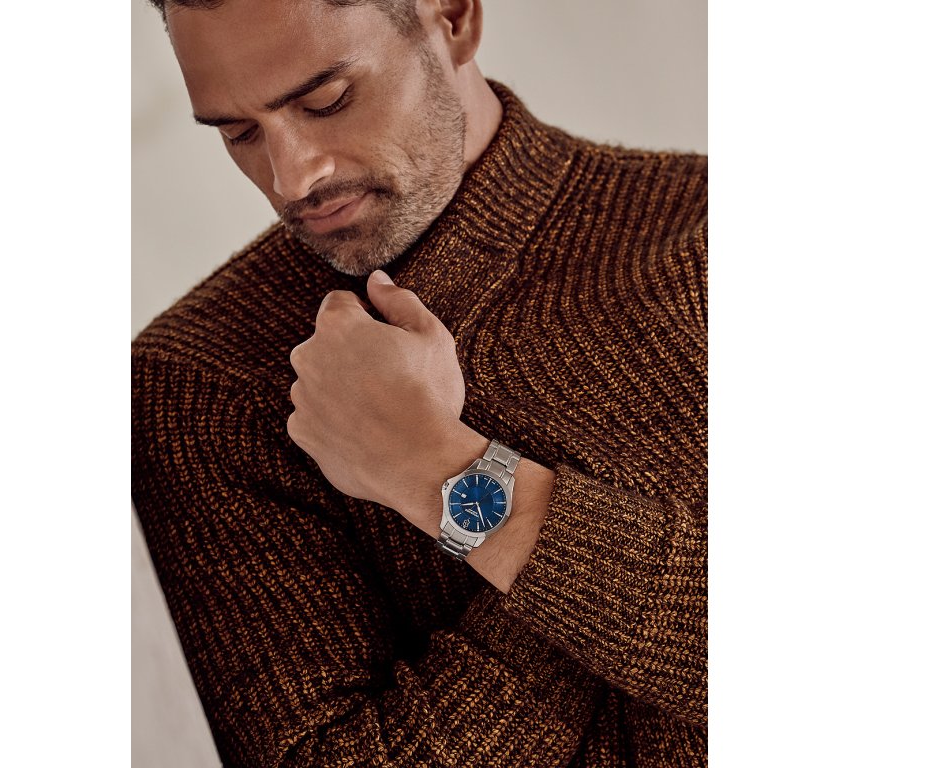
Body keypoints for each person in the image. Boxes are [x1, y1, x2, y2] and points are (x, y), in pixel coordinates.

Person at [131, 0, 707, 765]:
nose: (291, 175)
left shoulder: (707, 231)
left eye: (326, 100)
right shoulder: (203, 382)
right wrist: (582, 538)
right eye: (238, 133)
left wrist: (435, 467)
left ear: (454, 18)